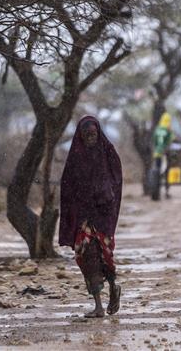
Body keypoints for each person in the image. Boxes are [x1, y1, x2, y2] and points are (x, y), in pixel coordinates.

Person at [59, 116, 123, 318]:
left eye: (93, 134)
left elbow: (117, 180)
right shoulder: (76, 157)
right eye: (86, 135)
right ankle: (98, 306)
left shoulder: (107, 151)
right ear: (81, 135)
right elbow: (67, 186)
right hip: (83, 214)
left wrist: (107, 196)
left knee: (105, 255)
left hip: (103, 213)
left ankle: (113, 287)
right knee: (87, 256)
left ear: (98, 133)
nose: (90, 138)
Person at [151, 112, 174, 199]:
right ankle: (167, 191)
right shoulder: (168, 130)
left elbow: (154, 141)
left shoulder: (157, 129)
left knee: (157, 171)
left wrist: (157, 149)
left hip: (157, 154)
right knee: (167, 172)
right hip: (166, 154)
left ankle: (156, 190)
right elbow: (170, 141)